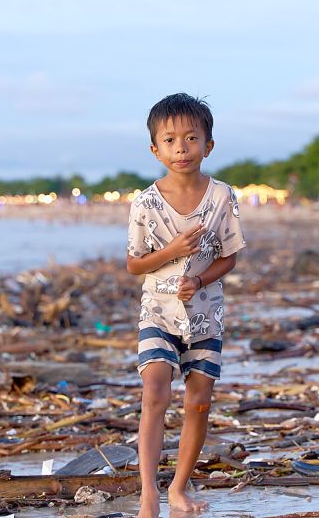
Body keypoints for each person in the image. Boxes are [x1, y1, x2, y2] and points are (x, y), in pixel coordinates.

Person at [125, 93, 246, 517]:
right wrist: (174, 249)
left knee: (198, 401)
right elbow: (134, 263)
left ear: (208, 145)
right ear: (155, 149)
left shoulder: (221, 197)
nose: (182, 149)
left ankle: (178, 487)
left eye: (191, 138)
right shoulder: (145, 203)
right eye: (171, 140)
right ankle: (149, 491)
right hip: (157, 313)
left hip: (205, 316)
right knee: (155, 389)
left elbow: (229, 256)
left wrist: (199, 278)